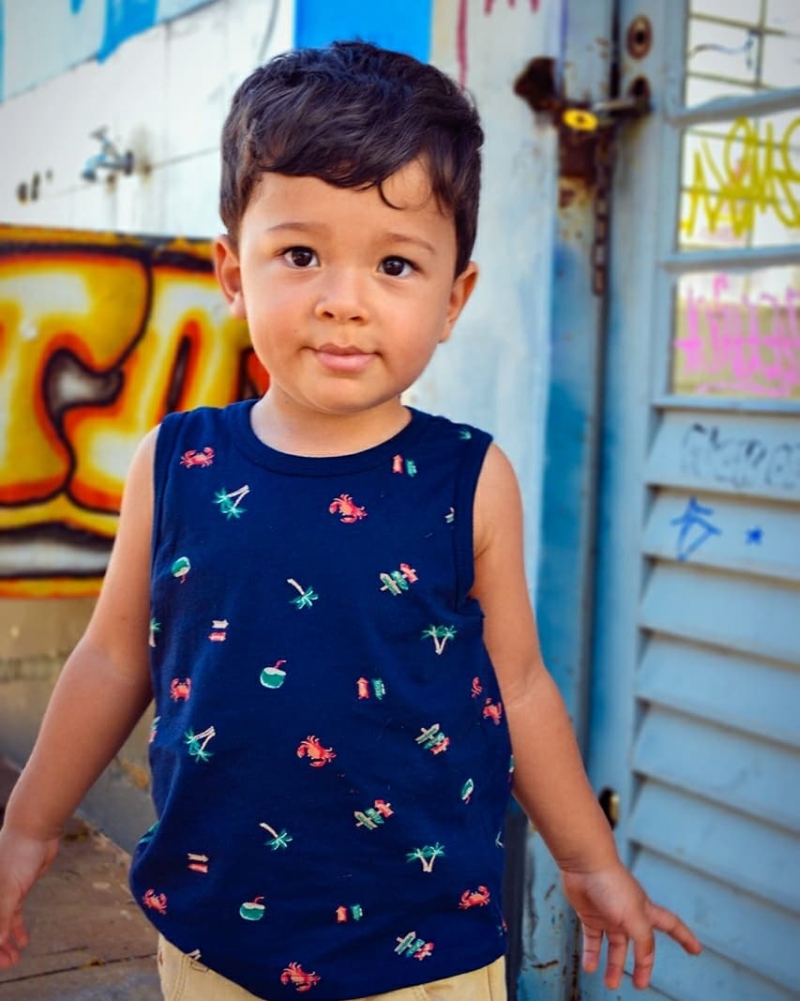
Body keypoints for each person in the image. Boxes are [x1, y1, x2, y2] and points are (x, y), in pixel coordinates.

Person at [0, 40, 701, 1001]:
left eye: (396, 263)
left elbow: (520, 687)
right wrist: (27, 826)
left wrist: (589, 861)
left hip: (425, 956)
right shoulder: (178, 462)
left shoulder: (469, 480)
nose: (343, 302)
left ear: (453, 298)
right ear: (233, 271)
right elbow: (114, 659)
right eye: (300, 254)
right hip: (214, 944)